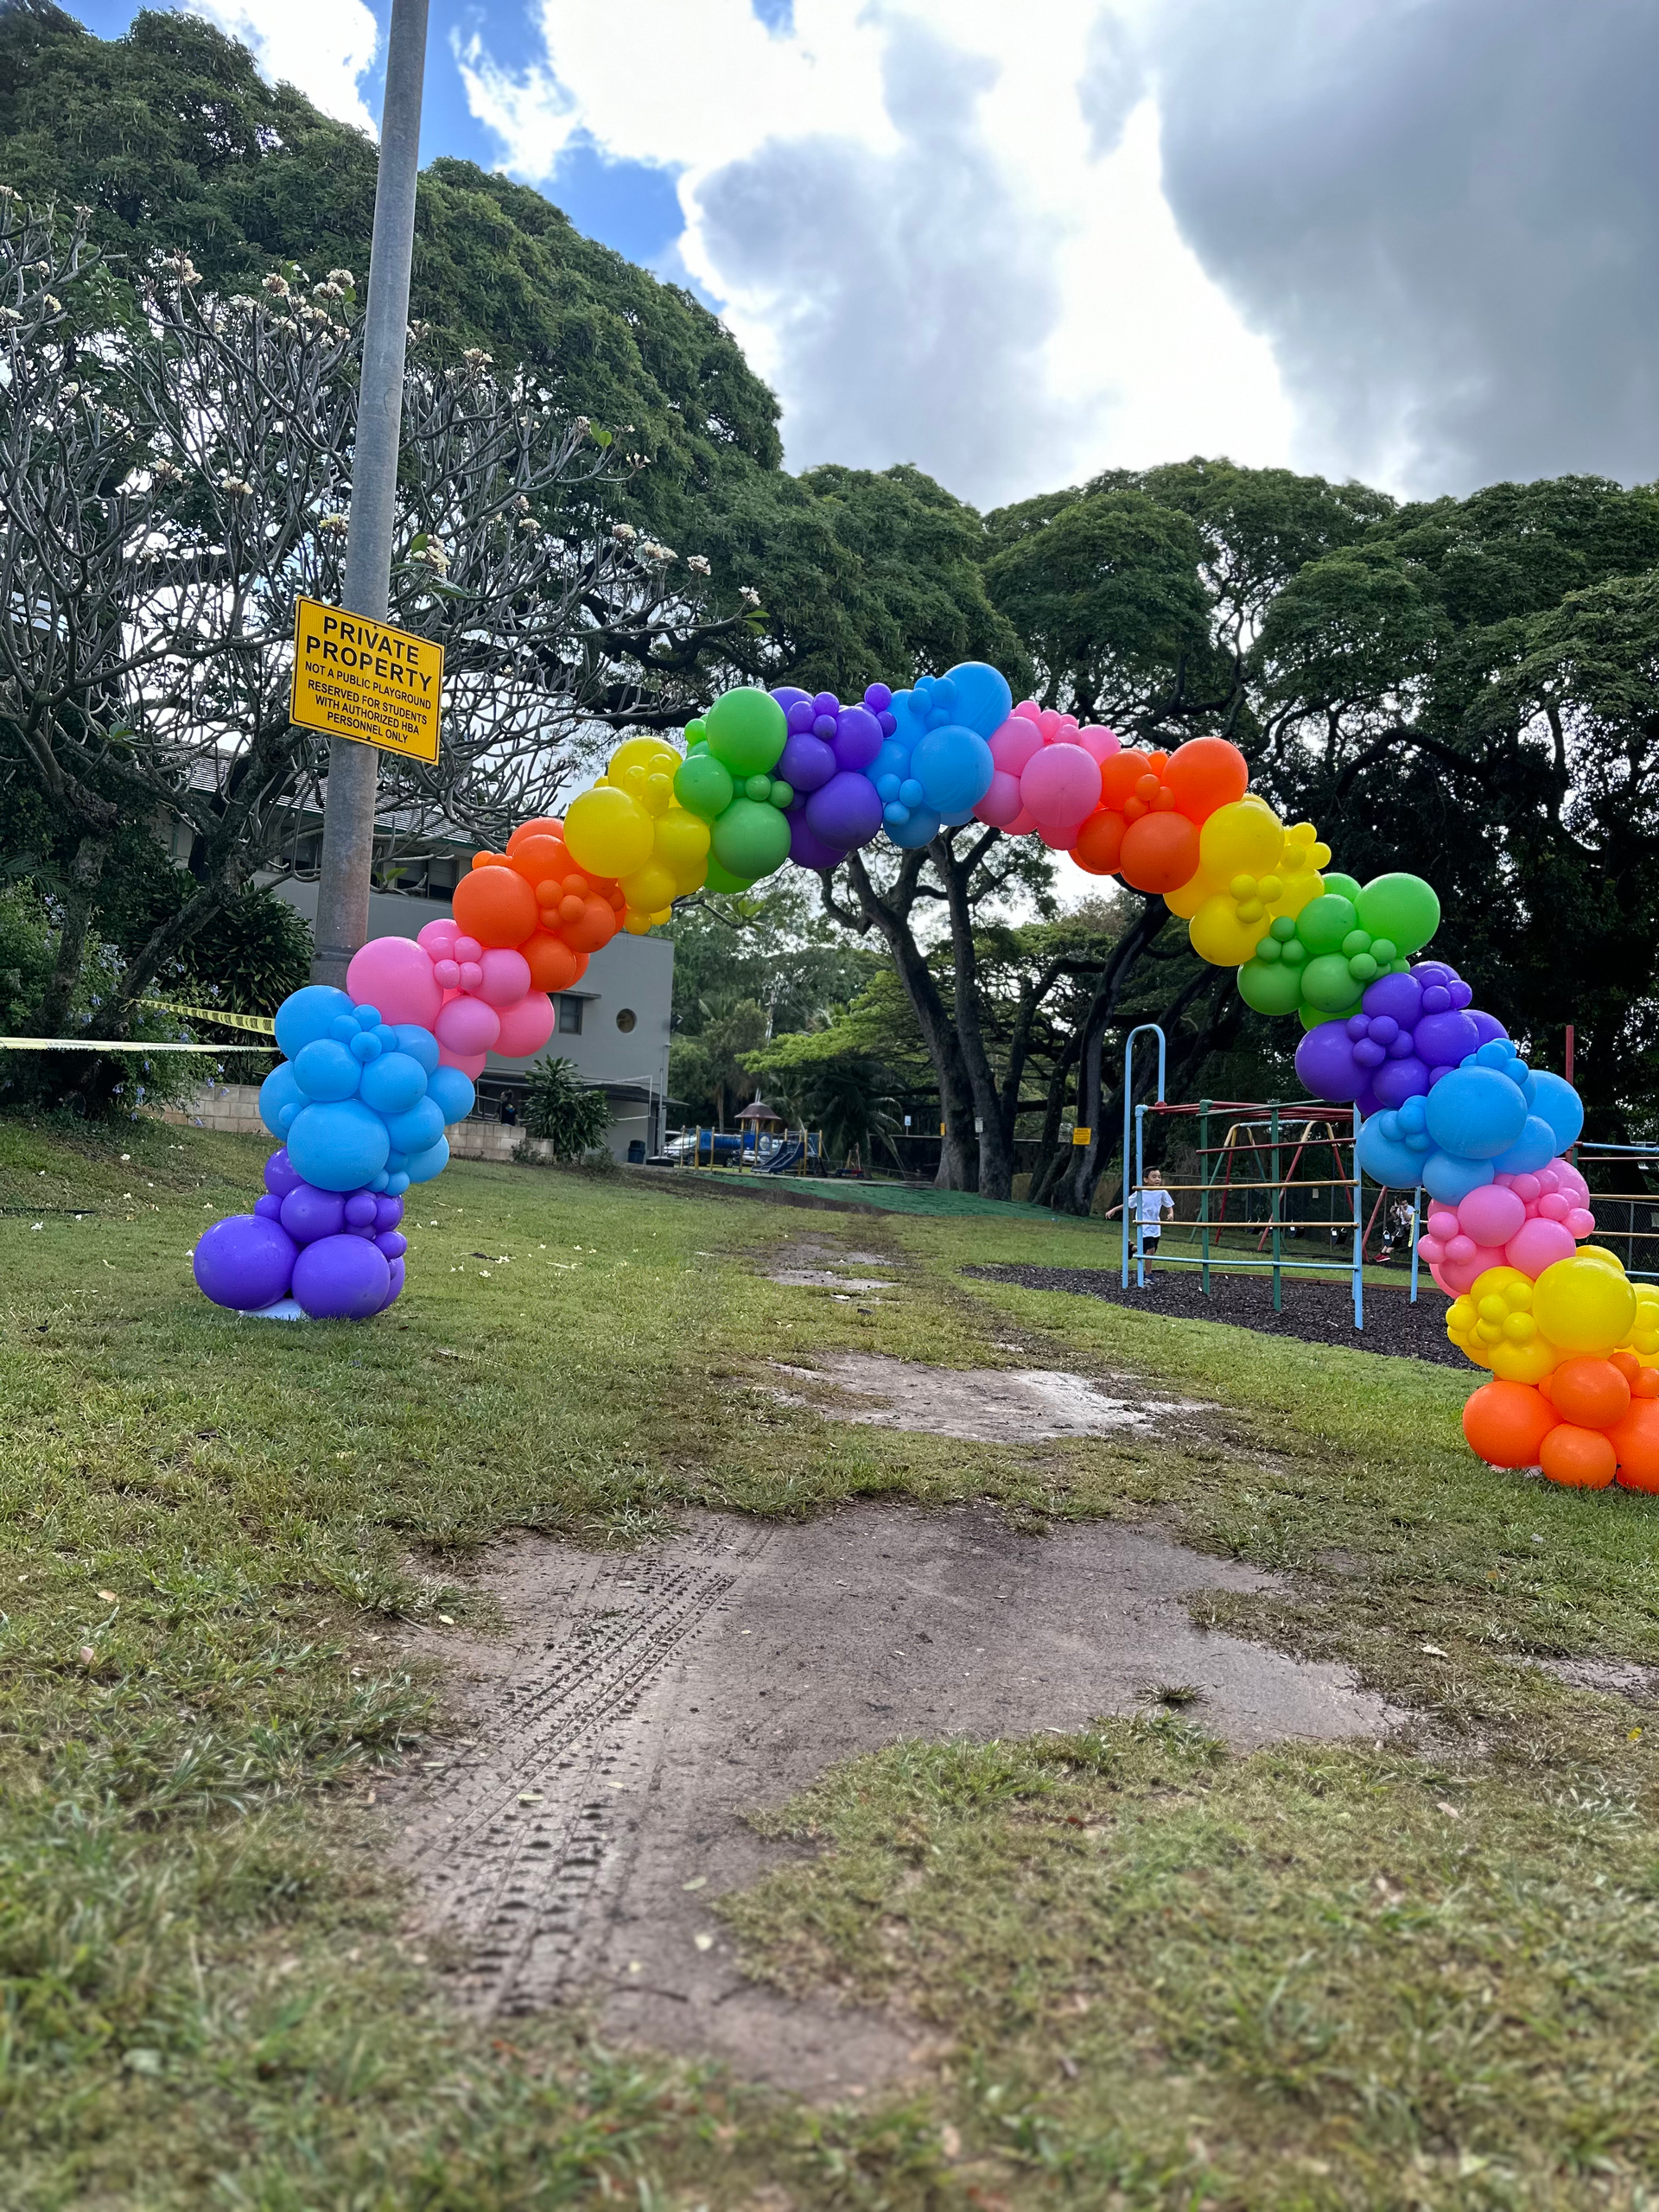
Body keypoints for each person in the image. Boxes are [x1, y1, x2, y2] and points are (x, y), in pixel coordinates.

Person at [1107, 1167, 1175, 1256]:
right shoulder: (1141, 1192)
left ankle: (1132, 1248)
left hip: (1155, 1225)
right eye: (1154, 1177)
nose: (1157, 1179)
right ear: (1146, 1179)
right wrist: (1114, 1209)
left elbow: (1168, 1204)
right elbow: (1128, 1204)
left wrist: (1171, 1213)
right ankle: (1148, 1271)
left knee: (1151, 1250)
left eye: (1159, 1177)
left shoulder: (1162, 1192)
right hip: (1144, 1224)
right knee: (1150, 1249)